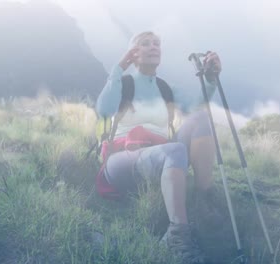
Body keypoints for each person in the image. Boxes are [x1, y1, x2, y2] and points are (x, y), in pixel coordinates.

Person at [95, 31, 222, 263]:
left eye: (157, 43)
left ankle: (203, 199)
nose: (153, 47)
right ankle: (177, 236)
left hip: (161, 157)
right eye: (145, 44)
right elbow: (103, 109)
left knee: (202, 119)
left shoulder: (165, 88)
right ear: (133, 53)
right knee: (175, 150)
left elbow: (196, 106)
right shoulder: (123, 83)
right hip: (123, 159)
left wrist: (211, 80)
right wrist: (118, 69)